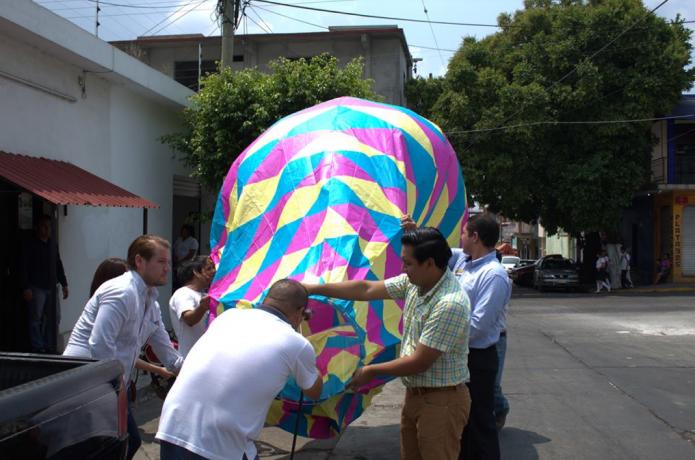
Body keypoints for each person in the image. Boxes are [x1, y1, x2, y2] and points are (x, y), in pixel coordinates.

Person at [304, 227, 471, 460]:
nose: (403, 269)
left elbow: (420, 362)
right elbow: (367, 289)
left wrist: (370, 371)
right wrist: (312, 289)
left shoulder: (449, 303)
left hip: (442, 402)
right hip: (416, 395)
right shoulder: (416, 283)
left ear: (429, 263)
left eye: (407, 263)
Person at [156, 279, 323, 460]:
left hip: (173, 426)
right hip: (220, 444)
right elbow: (313, 391)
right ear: (300, 312)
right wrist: (312, 360)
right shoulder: (296, 343)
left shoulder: (228, 316)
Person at [63, 235, 183, 460]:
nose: (167, 268)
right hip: (88, 382)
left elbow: (168, 354)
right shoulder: (122, 291)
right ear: (139, 261)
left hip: (112, 384)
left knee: (124, 443)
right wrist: (115, 389)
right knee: (107, 446)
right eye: (161, 262)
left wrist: (197, 373)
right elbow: (99, 345)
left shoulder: (150, 302)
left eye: (168, 263)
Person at [89, 257, 175, 381]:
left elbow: (128, 352)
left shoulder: (146, 304)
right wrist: (158, 369)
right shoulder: (116, 301)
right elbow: (105, 350)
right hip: (105, 380)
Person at [19, 215, 69, 353]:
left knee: (55, 317)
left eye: (49, 226)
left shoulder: (52, 244)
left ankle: (49, 344)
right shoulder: (31, 244)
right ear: (38, 227)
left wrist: (64, 284)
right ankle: (38, 346)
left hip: (52, 286)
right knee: (36, 318)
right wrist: (26, 287)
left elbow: (58, 264)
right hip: (36, 286)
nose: (47, 229)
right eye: (44, 226)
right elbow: (24, 266)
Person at [169, 256, 216, 358]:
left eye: (214, 267)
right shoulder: (183, 293)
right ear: (196, 272)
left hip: (207, 358)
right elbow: (189, 319)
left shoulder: (204, 295)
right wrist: (203, 307)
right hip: (191, 359)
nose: (214, 271)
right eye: (209, 268)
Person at [492, 252, 510, 431]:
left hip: (497, 337)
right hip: (483, 338)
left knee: (493, 383)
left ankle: (501, 408)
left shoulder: (497, 277)